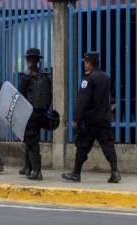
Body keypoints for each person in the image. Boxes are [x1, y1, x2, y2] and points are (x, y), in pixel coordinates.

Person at [62, 52, 121, 183]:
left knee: (82, 146)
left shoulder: (88, 79)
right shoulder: (106, 77)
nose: (84, 65)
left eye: (85, 62)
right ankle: (115, 172)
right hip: (104, 119)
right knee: (108, 146)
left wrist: (76, 119)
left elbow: (82, 100)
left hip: (90, 121)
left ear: (89, 63)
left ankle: (76, 174)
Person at [19, 48, 51, 181]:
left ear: (28, 59)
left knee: (32, 143)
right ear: (38, 60)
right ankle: (28, 167)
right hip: (41, 113)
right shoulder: (45, 75)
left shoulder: (27, 75)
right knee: (31, 139)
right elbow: (50, 95)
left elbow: (20, 94)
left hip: (30, 113)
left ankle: (37, 171)